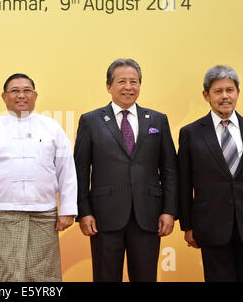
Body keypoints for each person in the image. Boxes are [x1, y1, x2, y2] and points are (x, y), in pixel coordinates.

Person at [74, 58, 178, 282]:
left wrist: (169, 210)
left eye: (134, 81)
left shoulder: (158, 120)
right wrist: (84, 211)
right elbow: (81, 171)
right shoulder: (91, 121)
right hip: (104, 216)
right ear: (109, 86)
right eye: (122, 81)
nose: (128, 87)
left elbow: (169, 169)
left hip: (148, 215)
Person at [0, 73, 77, 282]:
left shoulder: (52, 128)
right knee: (4, 275)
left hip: (44, 215)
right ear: (4, 96)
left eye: (27, 90)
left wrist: (68, 210)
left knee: (44, 276)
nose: (21, 95)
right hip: (1, 215)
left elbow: (67, 171)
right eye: (15, 91)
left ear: (35, 95)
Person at [178, 65, 243, 281]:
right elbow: (184, 183)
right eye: (218, 91)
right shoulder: (191, 133)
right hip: (211, 228)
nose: (225, 96)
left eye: (230, 90)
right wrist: (187, 226)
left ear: (237, 92)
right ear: (206, 95)